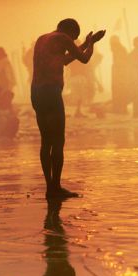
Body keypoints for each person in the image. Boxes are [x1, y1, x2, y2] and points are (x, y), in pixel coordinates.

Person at [31, 18, 105, 198]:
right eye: (74, 39)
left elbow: (64, 60)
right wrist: (92, 44)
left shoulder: (43, 39)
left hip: (36, 92)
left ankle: (50, 187)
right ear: (70, 33)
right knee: (58, 141)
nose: (72, 42)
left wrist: (86, 43)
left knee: (46, 141)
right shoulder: (63, 38)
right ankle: (55, 187)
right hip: (51, 92)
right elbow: (85, 59)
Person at [109, 36, 129, 114]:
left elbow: (121, 62)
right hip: (118, 73)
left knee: (121, 91)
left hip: (120, 74)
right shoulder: (117, 49)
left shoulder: (120, 50)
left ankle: (121, 109)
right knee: (118, 91)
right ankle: (119, 109)